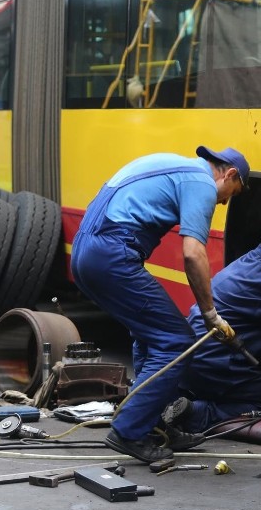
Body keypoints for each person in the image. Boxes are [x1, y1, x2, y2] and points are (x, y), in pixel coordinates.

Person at [70, 145, 250, 462]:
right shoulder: (202, 183)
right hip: (111, 253)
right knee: (176, 342)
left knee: (150, 335)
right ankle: (129, 431)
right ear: (229, 173)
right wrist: (210, 314)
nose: (223, 202)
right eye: (230, 194)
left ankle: (149, 424)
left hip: (86, 250)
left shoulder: (172, 164)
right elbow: (193, 254)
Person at [162, 220, 261, 434]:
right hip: (215, 364)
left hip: (192, 358)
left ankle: (188, 398)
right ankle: (200, 414)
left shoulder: (249, 260)